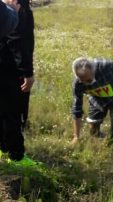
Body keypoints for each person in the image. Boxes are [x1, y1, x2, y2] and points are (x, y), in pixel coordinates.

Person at [0, 0, 35, 163]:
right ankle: (17, 158)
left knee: (4, 112)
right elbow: (16, 40)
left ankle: (3, 148)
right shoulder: (17, 5)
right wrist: (26, 72)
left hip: (5, 67)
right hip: (11, 70)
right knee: (15, 112)